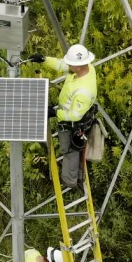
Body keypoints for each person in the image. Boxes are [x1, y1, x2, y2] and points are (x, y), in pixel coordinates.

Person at [29, 44, 97, 189]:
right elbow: (61, 65)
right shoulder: (86, 68)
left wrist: (55, 113)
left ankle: (69, 182)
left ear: (77, 66)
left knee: (70, 152)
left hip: (71, 124)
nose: (68, 65)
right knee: (75, 153)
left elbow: (74, 115)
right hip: (71, 116)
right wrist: (44, 59)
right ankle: (77, 177)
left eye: (71, 64)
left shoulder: (84, 90)